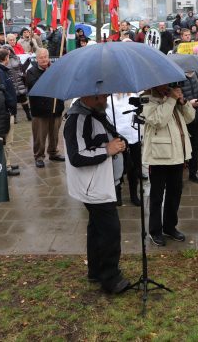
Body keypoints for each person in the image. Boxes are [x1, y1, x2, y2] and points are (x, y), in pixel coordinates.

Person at [63, 93, 130, 294]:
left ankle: (96, 270)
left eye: (105, 96)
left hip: (103, 182)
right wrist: (108, 150)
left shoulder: (96, 113)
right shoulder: (77, 119)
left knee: (97, 228)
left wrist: (119, 142)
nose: (104, 100)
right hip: (93, 186)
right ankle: (110, 278)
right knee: (110, 230)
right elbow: (76, 156)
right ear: (86, 96)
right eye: (99, 97)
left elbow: (102, 139)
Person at [142, 83, 195, 246]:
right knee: (157, 196)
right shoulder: (146, 100)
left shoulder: (172, 98)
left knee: (175, 193)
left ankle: (170, 227)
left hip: (178, 154)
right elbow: (158, 121)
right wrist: (171, 100)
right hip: (159, 156)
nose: (168, 87)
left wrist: (183, 102)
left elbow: (190, 118)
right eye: (165, 84)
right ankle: (155, 231)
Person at [26, 48, 65, 168]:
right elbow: (35, 86)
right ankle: (39, 156)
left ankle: (53, 152)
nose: (44, 59)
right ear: (37, 59)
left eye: (45, 57)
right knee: (39, 136)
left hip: (56, 107)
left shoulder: (55, 69)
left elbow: (62, 83)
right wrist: (48, 75)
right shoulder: (31, 72)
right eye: (41, 57)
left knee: (54, 134)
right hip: (40, 110)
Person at [106, 94, 142, 206]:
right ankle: (118, 194)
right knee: (119, 167)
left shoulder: (133, 97)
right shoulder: (109, 99)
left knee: (135, 168)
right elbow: (108, 120)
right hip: (119, 139)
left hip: (134, 138)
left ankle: (134, 194)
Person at [0, 48, 19, 176]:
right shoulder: (0, 72)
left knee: (7, 139)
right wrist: (11, 105)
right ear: (6, 58)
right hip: (6, 111)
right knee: (8, 139)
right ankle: (6, 166)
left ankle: (6, 162)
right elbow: (3, 92)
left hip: (5, 110)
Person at [180, 70, 198, 184]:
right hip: (185, 117)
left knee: (195, 146)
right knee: (182, 148)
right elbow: (178, 96)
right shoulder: (179, 76)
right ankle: (178, 178)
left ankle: (193, 173)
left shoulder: (197, 75)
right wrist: (188, 102)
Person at [5, 45, 32, 123]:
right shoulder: (2, 60)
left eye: (8, 49)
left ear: (10, 50)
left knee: (24, 100)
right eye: (5, 49)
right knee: (13, 102)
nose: (7, 51)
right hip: (10, 83)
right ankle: (14, 118)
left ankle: (28, 115)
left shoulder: (16, 58)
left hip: (19, 81)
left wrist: (28, 61)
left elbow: (22, 69)